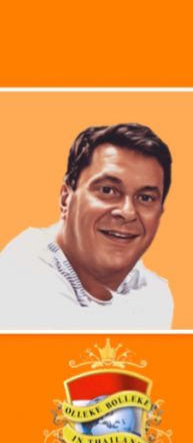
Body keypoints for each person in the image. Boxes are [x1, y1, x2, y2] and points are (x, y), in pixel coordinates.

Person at [0, 123, 174, 329]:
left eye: (145, 197)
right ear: (66, 199)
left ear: (160, 212)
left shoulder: (154, 293)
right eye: (108, 190)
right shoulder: (21, 278)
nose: (128, 212)